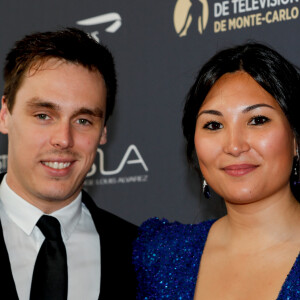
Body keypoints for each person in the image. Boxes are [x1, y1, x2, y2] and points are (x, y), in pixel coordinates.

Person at [133, 43, 300, 299]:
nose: (234, 146)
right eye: (213, 125)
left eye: (257, 120)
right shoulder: (162, 256)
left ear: (296, 139)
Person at [0, 28, 137, 300]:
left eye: (83, 120)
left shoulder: (138, 253)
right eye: (43, 115)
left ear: (104, 132)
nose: (63, 139)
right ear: (5, 115)